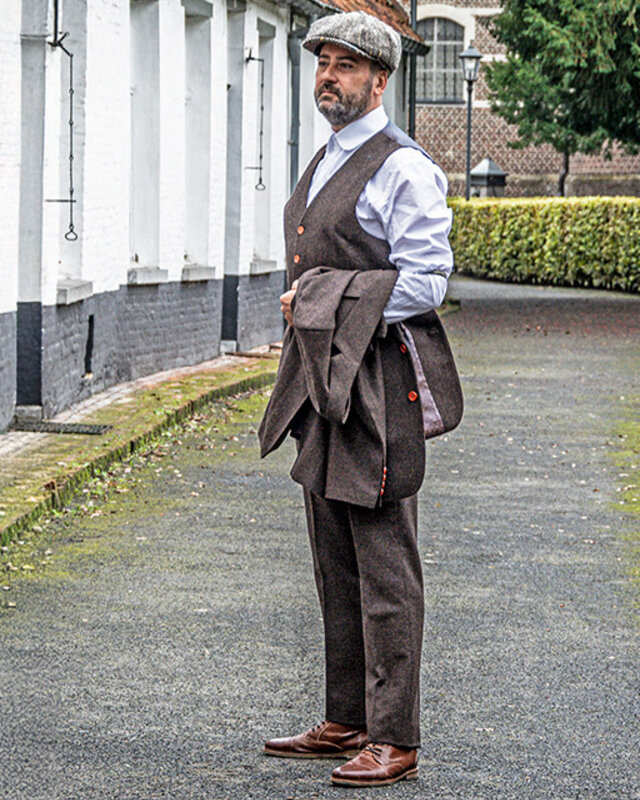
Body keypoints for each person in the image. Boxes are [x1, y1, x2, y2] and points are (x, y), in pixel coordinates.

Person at [258, 10, 462, 788]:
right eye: (323, 63)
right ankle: (345, 718)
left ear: (380, 80)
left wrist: (322, 300)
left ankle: (395, 735)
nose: (329, 76)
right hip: (322, 377)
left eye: (346, 65)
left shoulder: (403, 167)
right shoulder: (325, 158)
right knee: (333, 557)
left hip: (378, 382)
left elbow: (426, 280)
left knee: (384, 564)